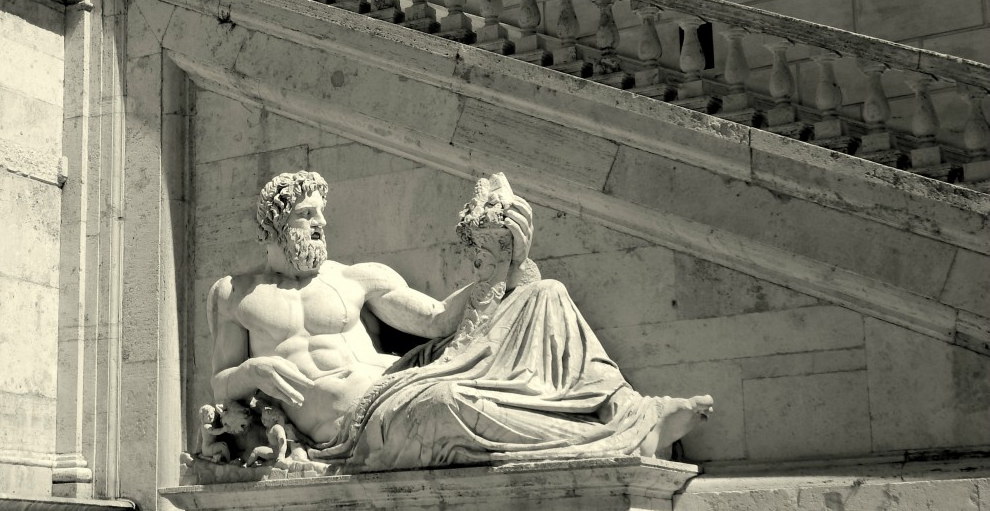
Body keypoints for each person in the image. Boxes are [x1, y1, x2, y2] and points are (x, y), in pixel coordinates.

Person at [208, 170, 712, 473]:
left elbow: (436, 319)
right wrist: (253, 373)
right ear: (273, 224)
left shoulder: (355, 277)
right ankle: (605, 439)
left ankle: (628, 414)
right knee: (448, 402)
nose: (320, 224)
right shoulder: (235, 293)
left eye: (322, 214)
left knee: (545, 293)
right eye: (306, 216)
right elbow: (220, 381)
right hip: (350, 423)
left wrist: (507, 257)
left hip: (401, 378)